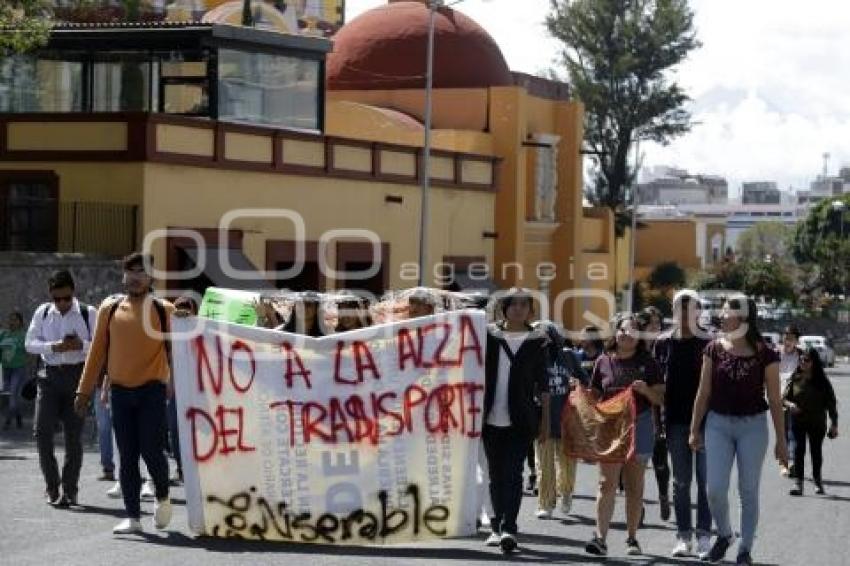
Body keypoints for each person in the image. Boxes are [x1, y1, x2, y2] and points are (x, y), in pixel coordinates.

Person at [74, 252, 175, 535]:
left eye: (140, 272)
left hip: (152, 392)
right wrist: (83, 392)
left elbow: (181, 350)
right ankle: (133, 516)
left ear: (151, 277)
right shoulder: (110, 308)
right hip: (119, 392)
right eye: (129, 271)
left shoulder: (163, 309)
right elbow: (96, 353)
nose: (134, 277)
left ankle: (163, 496)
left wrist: (176, 383)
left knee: (152, 451)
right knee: (127, 455)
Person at [689, 295, 787, 566]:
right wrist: (694, 428)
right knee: (715, 489)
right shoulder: (713, 349)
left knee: (748, 490)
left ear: (742, 318)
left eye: (725, 312)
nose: (721, 317)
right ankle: (724, 534)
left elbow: (776, 400)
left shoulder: (765, 353)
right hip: (717, 424)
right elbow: (703, 391)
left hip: (753, 426)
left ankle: (744, 548)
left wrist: (781, 441)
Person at [584, 314, 664, 558]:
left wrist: (646, 390)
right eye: (622, 329)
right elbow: (594, 394)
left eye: (632, 330)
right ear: (615, 334)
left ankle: (632, 537)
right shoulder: (603, 361)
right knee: (606, 483)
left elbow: (660, 398)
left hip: (639, 424)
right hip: (610, 426)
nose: (626, 334)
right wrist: (583, 396)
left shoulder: (649, 363)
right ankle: (600, 538)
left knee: (634, 485)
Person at [482, 288, 548, 553]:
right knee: (495, 476)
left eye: (524, 305)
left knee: (513, 473)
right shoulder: (488, 336)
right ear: (504, 308)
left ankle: (510, 528)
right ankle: (496, 526)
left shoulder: (537, 340)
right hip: (488, 417)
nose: (519, 309)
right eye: (514, 304)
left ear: (530, 311)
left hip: (521, 418)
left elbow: (543, 386)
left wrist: (545, 423)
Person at [25, 270, 96, 507]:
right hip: (49, 378)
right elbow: (29, 344)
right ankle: (52, 487)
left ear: (73, 292)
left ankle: (70, 490)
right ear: (50, 295)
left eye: (66, 298)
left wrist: (81, 345)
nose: (62, 303)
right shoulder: (43, 312)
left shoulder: (88, 313)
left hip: (78, 377)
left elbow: (100, 346)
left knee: (73, 438)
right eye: (57, 298)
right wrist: (54, 347)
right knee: (42, 433)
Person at [652, 291, 712, 559]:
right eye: (680, 308)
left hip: (708, 423)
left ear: (698, 311)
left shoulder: (710, 343)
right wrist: (657, 421)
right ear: (673, 311)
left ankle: (704, 537)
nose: (685, 314)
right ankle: (683, 537)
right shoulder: (663, 343)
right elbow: (656, 384)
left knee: (706, 482)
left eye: (691, 309)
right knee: (681, 482)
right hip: (675, 421)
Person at [533, 320, 588, 519]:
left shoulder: (569, 356)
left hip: (567, 419)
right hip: (542, 419)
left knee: (567, 462)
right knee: (543, 464)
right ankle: (546, 503)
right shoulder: (532, 358)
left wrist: (578, 384)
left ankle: (565, 491)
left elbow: (585, 381)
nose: (542, 341)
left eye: (545, 336)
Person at [783, 347, 839, 496]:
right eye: (801, 359)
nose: (802, 362)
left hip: (817, 422)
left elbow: (831, 403)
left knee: (816, 452)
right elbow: (784, 398)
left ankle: (817, 481)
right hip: (798, 421)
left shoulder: (822, 381)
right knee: (798, 450)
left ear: (814, 362)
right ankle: (798, 483)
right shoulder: (795, 377)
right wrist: (791, 405)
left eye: (806, 360)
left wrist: (834, 424)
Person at [639, 307, 671, 523]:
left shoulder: (664, 348)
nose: (656, 328)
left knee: (660, 460)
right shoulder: (632, 349)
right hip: (636, 411)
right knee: (634, 463)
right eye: (651, 325)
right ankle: (637, 504)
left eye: (658, 324)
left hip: (658, 409)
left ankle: (663, 494)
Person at [168, 295, 198, 483]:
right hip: (177, 391)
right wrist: (169, 384)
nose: (183, 312)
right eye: (179, 309)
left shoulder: (203, 332)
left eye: (187, 309)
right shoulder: (169, 334)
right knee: (175, 430)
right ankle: (181, 467)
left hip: (197, 392)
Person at [777, 325, 803, 477]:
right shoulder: (775, 353)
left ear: (796, 341)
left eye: (791, 339)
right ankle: (783, 464)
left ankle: (791, 460)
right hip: (777, 397)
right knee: (782, 433)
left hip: (793, 398)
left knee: (793, 432)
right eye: (786, 338)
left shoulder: (801, 356)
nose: (787, 341)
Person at [1, 312, 28, 430]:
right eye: (11, 320)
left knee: (12, 394)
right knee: (7, 395)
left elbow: (29, 351)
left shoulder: (23, 335)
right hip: (5, 369)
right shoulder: (4, 334)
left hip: (18, 369)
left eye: (15, 320)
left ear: (20, 322)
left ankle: (8, 420)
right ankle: (18, 416)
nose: (12, 322)